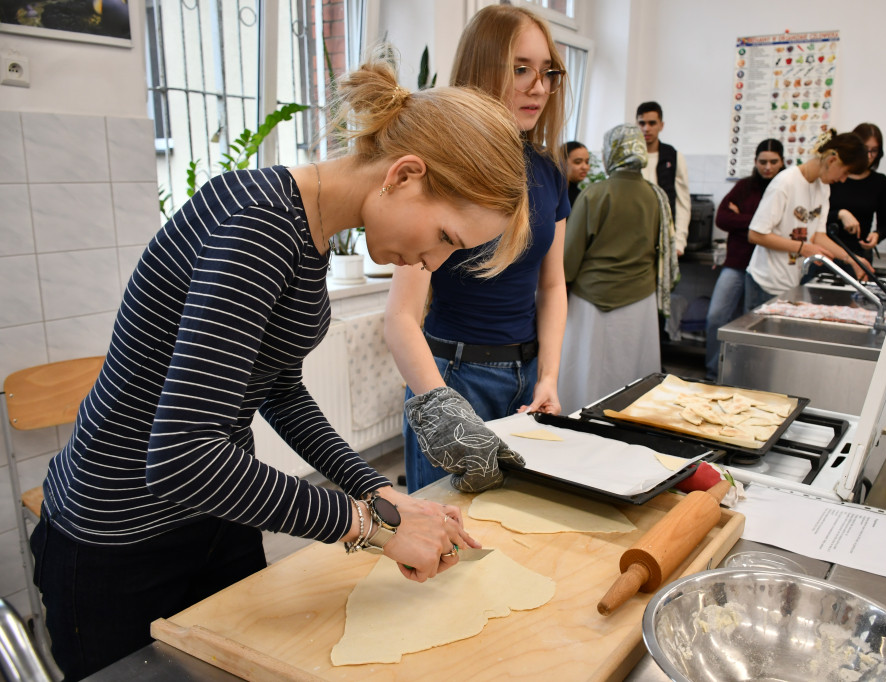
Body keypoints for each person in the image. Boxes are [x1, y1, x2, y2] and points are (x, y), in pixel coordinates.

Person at [29, 58, 532, 681]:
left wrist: (376, 492)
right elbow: (184, 457)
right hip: (123, 542)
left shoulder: (306, 232)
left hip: (216, 518)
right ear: (404, 176)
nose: (432, 262)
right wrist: (368, 527)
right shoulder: (258, 226)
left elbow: (278, 391)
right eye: (445, 238)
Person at [385, 4, 570, 494]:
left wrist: (547, 376)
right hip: (455, 375)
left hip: (525, 378)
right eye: (521, 68)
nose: (539, 86)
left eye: (547, 71)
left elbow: (552, 285)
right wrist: (441, 405)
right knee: (449, 533)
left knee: (519, 523)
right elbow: (401, 316)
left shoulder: (549, 173)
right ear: (484, 69)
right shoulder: (446, 164)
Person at [558, 124, 677, 413]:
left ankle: (579, 423)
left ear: (611, 152)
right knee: (632, 374)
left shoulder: (594, 194)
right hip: (640, 299)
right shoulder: (656, 197)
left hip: (591, 300)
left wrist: (563, 284)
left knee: (585, 371)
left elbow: (570, 255)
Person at [744, 129, 871, 312]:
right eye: (845, 173)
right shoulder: (785, 183)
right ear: (832, 160)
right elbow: (756, 234)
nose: (843, 180)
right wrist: (804, 248)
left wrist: (852, 260)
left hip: (791, 282)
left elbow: (818, 236)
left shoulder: (823, 188)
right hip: (765, 284)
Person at [704, 139, 784, 380]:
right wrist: (757, 223)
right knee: (716, 316)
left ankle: (747, 375)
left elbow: (780, 230)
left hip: (766, 269)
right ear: (755, 162)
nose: (767, 167)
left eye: (773, 162)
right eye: (762, 162)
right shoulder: (745, 186)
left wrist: (744, 219)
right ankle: (713, 371)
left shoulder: (784, 188)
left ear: (782, 162)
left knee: (753, 326)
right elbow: (722, 218)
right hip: (737, 264)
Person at [826, 123, 886, 263]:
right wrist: (840, 213)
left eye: (874, 151)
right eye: (865, 149)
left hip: (859, 253)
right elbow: (815, 217)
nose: (868, 156)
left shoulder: (881, 182)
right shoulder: (832, 177)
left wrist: (877, 235)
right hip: (828, 249)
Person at [636, 101, 691, 255]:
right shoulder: (629, 157)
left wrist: (680, 242)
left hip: (664, 234)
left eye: (652, 123)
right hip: (635, 234)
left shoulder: (674, 156)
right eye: (642, 123)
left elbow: (683, 202)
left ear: (661, 125)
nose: (646, 128)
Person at [563, 140, 590, 207]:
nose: (585, 167)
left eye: (587, 162)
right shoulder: (558, 195)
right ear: (562, 163)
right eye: (578, 162)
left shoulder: (579, 194)